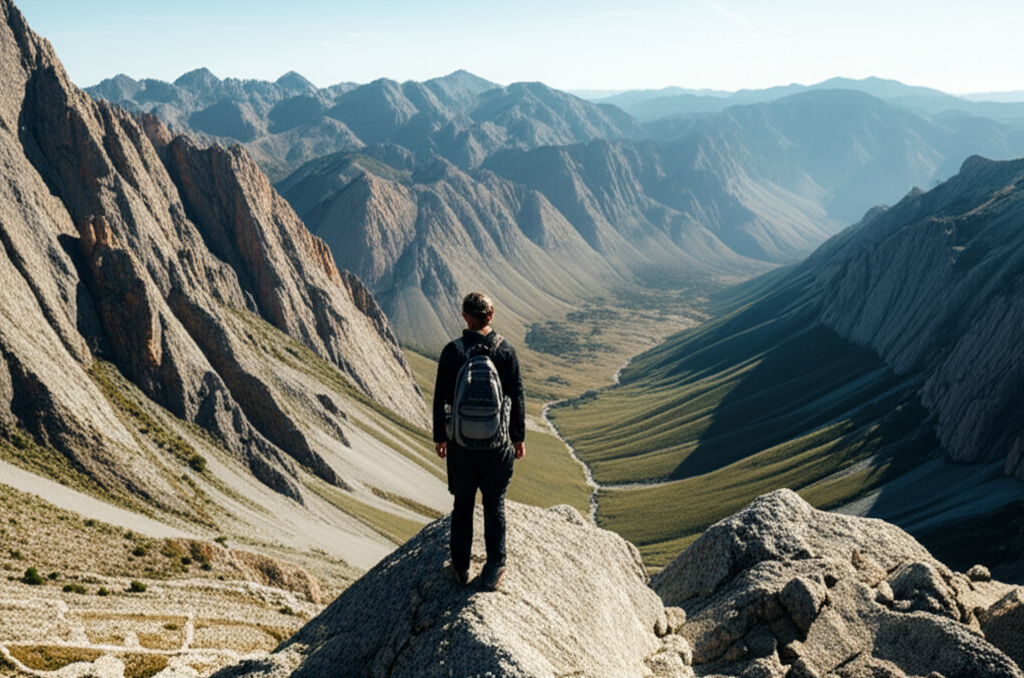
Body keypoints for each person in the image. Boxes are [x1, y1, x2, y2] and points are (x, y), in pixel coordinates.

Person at [434, 292, 525, 590]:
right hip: (497, 447)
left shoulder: (453, 352)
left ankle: (461, 566)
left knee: (463, 502)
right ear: (491, 316)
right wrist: (517, 438)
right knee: (494, 503)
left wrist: (441, 437)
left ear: (465, 316)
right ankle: (494, 566)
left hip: (461, 445)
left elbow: (441, 398)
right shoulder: (505, 351)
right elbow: (516, 396)